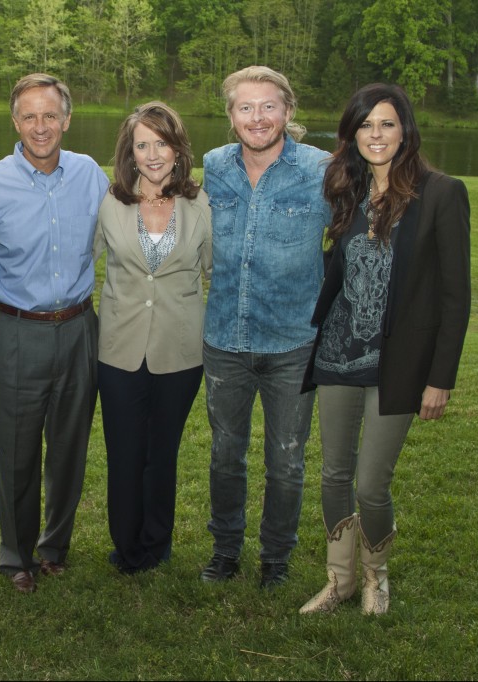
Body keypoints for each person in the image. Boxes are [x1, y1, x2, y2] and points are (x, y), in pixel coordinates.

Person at [299, 83, 471, 616]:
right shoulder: (346, 191)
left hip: (397, 363)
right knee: (332, 474)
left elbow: (455, 295)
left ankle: (377, 577)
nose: (376, 135)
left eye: (387, 124)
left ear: (406, 130)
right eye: (365, 125)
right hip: (337, 355)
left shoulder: (441, 192)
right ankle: (340, 580)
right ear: (351, 135)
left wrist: (440, 378)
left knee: (371, 483)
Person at [0, 73, 109, 594]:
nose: (40, 126)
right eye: (29, 115)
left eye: (50, 115)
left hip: (78, 328)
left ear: (67, 119)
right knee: (15, 450)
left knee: (70, 446)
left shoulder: (90, 176)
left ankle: (54, 547)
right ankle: (16, 555)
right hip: (16, 330)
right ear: (14, 121)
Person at [201, 66, 331, 588]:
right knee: (225, 455)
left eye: (269, 106)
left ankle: (276, 558)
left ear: (288, 112)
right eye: (246, 107)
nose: (258, 117)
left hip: (292, 342)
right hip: (225, 340)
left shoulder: (322, 170)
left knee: (287, 461)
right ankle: (226, 550)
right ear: (231, 115)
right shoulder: (214, 167)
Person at [94, 102, 211, 575]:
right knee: (124, 453)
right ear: (130, 153)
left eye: (161, 142)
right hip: (119, 349)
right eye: (142, 144)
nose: (152, 153)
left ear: (178, 148)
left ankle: (157, 545)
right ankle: (126, 547)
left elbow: (214, 269)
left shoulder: (199, 203)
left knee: (162, 452)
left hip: (180, 351)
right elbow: (84, 261)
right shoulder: (111, 201)